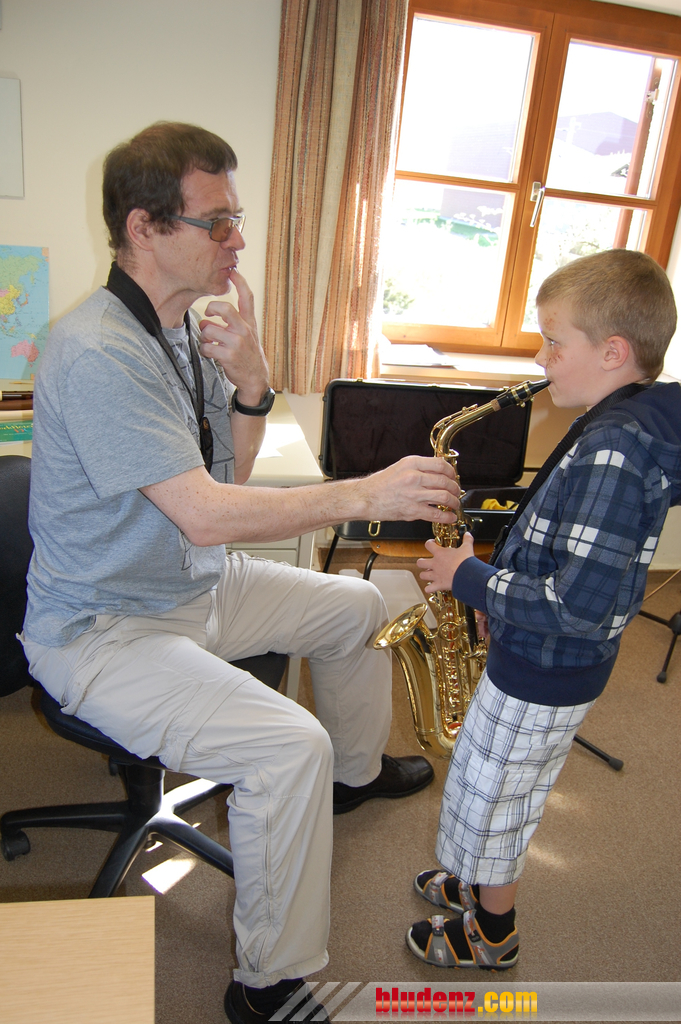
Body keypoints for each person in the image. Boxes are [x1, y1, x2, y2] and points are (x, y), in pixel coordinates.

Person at [20, 122, 462, 1024]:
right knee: (282, 746)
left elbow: (232, 478)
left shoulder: (178, 329)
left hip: (185, 582)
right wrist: (363, 492)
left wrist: (254, 384)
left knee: (354, 604)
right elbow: (206, 512)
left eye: (238, 220)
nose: (238, 242)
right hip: (105, 629)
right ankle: (268, 986)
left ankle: (351, 777)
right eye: (217, 222)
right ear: (145, 227)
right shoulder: (99, 348)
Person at [406, 249, 681, 971]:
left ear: (612, 352)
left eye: (553, 342)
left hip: (546, 667)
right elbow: (560, 548)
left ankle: (492, 932)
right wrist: (497, 585)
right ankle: (472, 881)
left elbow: (576, 606)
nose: (539, 357)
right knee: (482, 780)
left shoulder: (615, 451)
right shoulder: (610, 422)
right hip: (534, 653)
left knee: (498, 801)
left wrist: (468, 579)